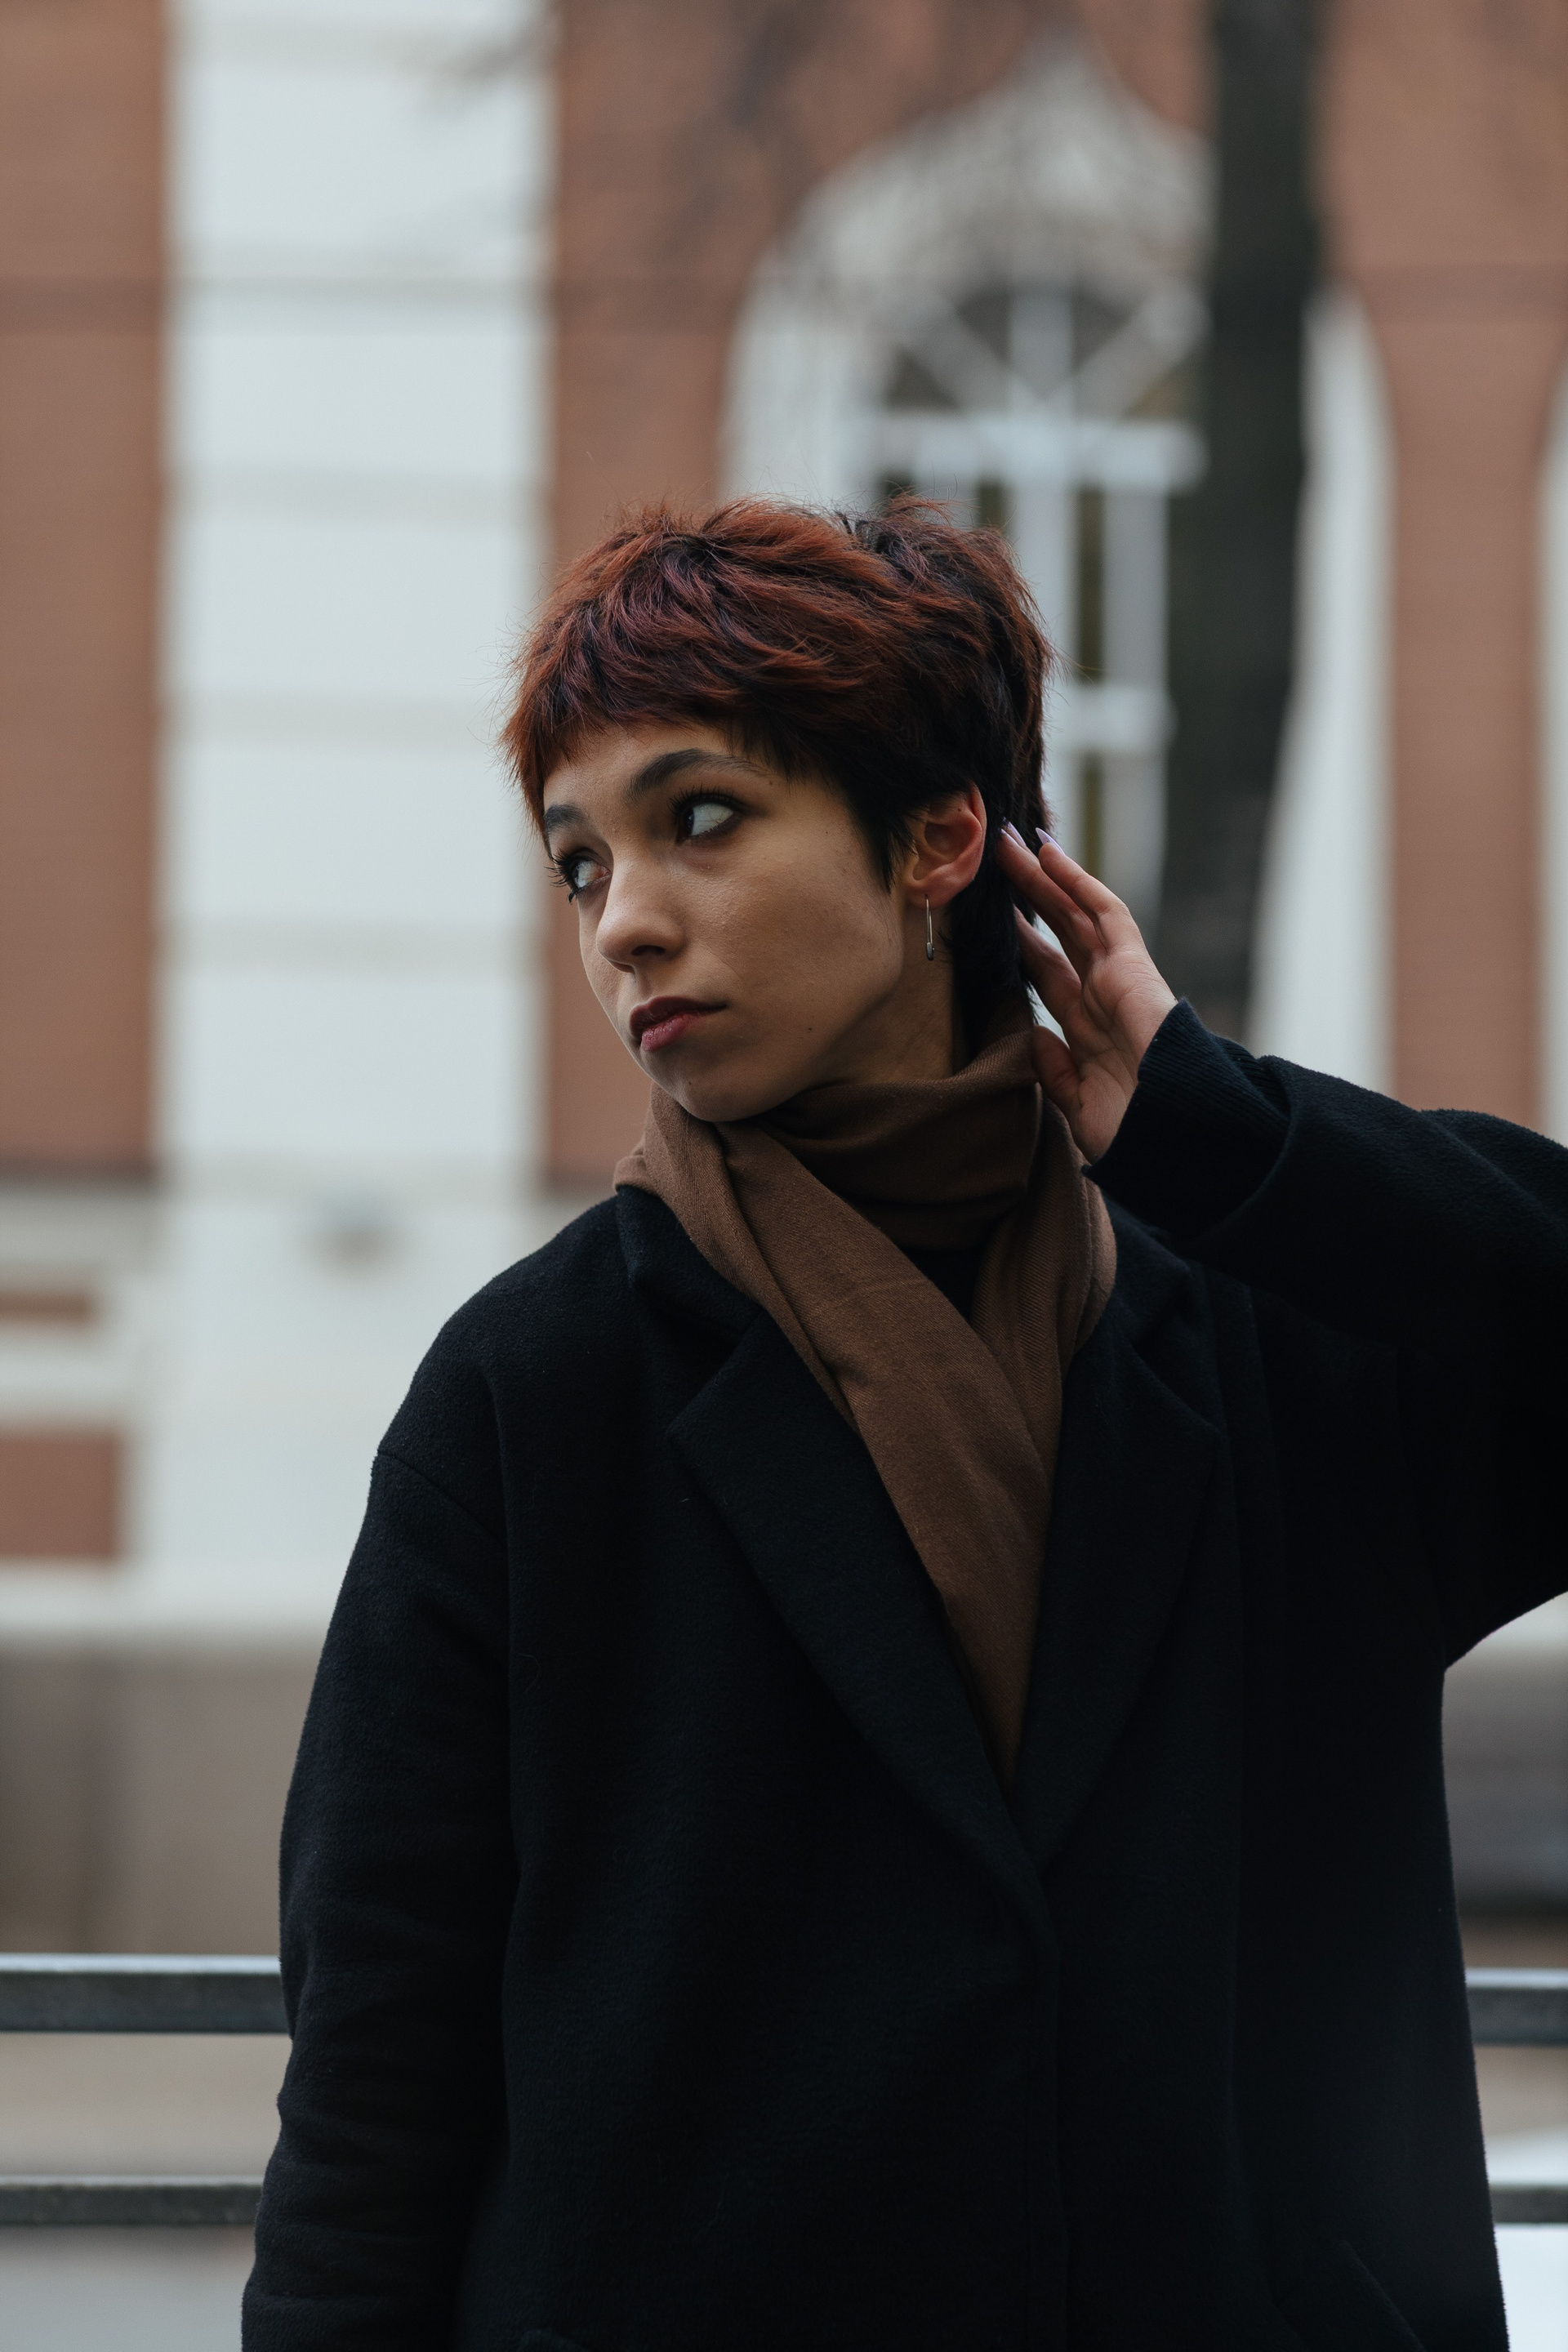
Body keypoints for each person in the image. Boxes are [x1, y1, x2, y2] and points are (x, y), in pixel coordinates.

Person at [243, 498, 1565, 2352]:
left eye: (703, 818)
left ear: (942, 838)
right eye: (579, 863)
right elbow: (377, 2070)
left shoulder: (1271, 1332)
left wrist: (1233, 1135)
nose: (625, 923)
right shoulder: (532, 1393)